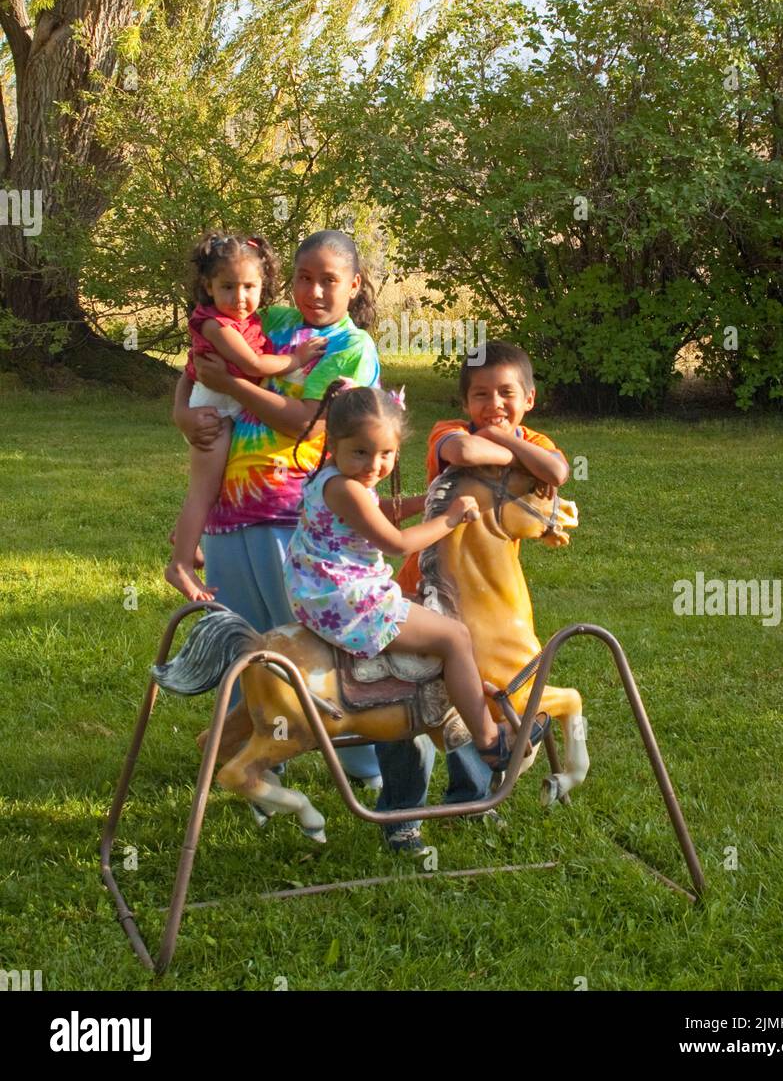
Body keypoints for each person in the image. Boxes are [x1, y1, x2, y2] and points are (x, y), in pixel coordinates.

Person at [172, 228, 384, 784]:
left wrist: (236, 388)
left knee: (311, 640)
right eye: (304, 278)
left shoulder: (351, 347)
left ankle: (363, 759)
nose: (314, 291)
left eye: (329, 281)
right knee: (249, 642)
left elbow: (301, 419)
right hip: (229, 510)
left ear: (354, 284)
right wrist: (181, 413)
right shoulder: (276, 323)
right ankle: (262, 757)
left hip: (297, 514)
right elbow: (198, 365)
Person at [286, 384, 551, 768]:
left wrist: (429, 498)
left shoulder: (332, 478)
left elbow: (380, 514)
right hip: (347, 600)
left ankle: (461, 698)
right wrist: (449, 518)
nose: (374, 465)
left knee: (435, 620)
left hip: (320, 591)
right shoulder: (350, 490)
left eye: (386, 454)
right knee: (455, 635)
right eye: (361, 452)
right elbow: (395, 542)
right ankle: (491, 743)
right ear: (334, 442)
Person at [375, 340, 569, 850]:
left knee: (479, 689)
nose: (494, 404)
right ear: (465, 404)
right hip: (424, 588)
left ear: (530, 396)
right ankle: (400, 815)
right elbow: (463, 454)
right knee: (404, 694)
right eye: (480, 395)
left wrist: (519, 450)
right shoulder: (449, 432)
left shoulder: (538, 438)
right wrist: (518, 453)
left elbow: (558, 472)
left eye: (506, 393)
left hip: (482, 594)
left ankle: (470, 800)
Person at [166, 232, 326, 603]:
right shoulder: (216, 325)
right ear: (208, 286)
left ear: (263, 284)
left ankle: (185, 536)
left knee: (214, 483)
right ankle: (180, 564)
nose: (240, 298)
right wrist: (298, 359)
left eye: (250, 286)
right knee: (203, 492)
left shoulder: (250, 320)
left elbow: (190, 370)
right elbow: (252, 364)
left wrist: (179, 410)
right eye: (228, 287)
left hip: (225, 409)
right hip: (214, 415)